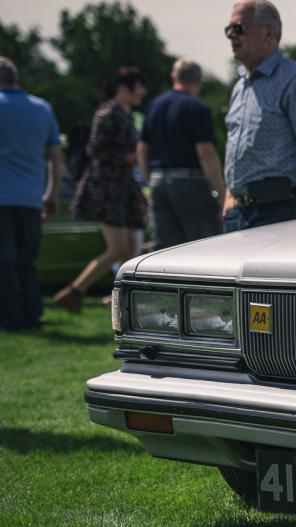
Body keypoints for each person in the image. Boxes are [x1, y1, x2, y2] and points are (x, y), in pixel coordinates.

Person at [222, 0, 296, 231]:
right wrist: (230, 200)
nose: (231, 35)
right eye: (228, 29)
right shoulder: (240, 86)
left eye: (238, 28)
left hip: (278, 214)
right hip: (237, 215)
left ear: (269, 33)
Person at [54, 67, 147, 315]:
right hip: (106, 189)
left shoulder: (126, 114)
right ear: (124, 88)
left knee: (129, 247)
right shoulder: (107, 113)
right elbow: (95, 149)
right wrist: (129, 158)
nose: (143, 92)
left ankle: (122, 301)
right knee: (117, 249)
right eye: (139, 86)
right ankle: (74, 291)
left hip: (123, 188)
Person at [0, 57, 63, 331]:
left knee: (4, 262)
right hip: (31, 198)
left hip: (2, 197)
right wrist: (52, 193)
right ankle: (32, 316)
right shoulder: (43, 108)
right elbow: (56, 158)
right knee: (27, 262)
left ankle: (10, 319)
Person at [137, 58, 226, 249]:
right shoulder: (197, 108)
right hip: (189, 182)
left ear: (173, 77)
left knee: (163, 248)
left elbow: (142, 149)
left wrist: (150, 181)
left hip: (157, 180)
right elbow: (206, 153)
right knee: (204, 243)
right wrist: (221, 190)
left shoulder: (154, 105)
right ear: (198, 80)